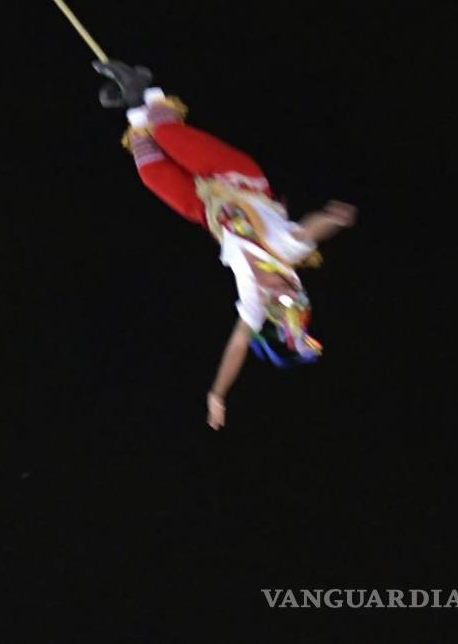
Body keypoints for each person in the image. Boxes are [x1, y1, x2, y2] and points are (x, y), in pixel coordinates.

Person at [96, 60, 357, 429]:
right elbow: (308, 232)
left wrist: (217, 394)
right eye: (283, 293)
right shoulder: (286, 254)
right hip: (238, 179)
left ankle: (133, 100)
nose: (271, 291)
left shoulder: (253, 301)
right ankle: (145, 91)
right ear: (292, 287)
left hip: (209, 210)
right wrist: (333, 218)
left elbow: (237, 346)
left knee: (152, 172)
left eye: (271, 303)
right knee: (170, 137)